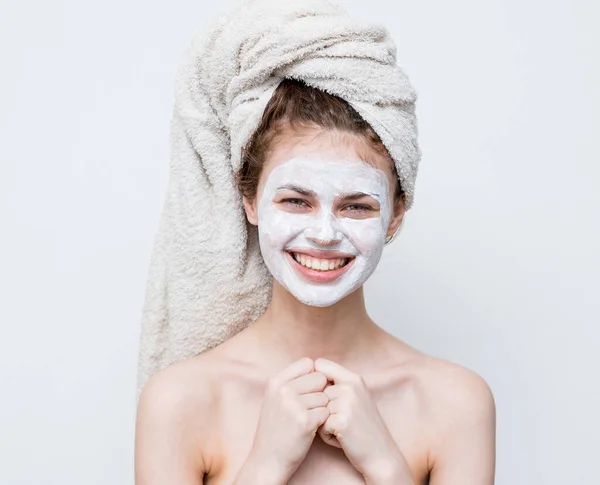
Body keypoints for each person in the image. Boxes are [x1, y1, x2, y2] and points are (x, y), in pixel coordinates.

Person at [134, 78, 496, 485]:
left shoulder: (456, 403)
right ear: (250, 201)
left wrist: (385, 465)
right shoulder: (179, 401)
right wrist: (265, 466)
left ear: (395, 215)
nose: (324, 234)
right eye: (295, 201)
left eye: (356, 206)